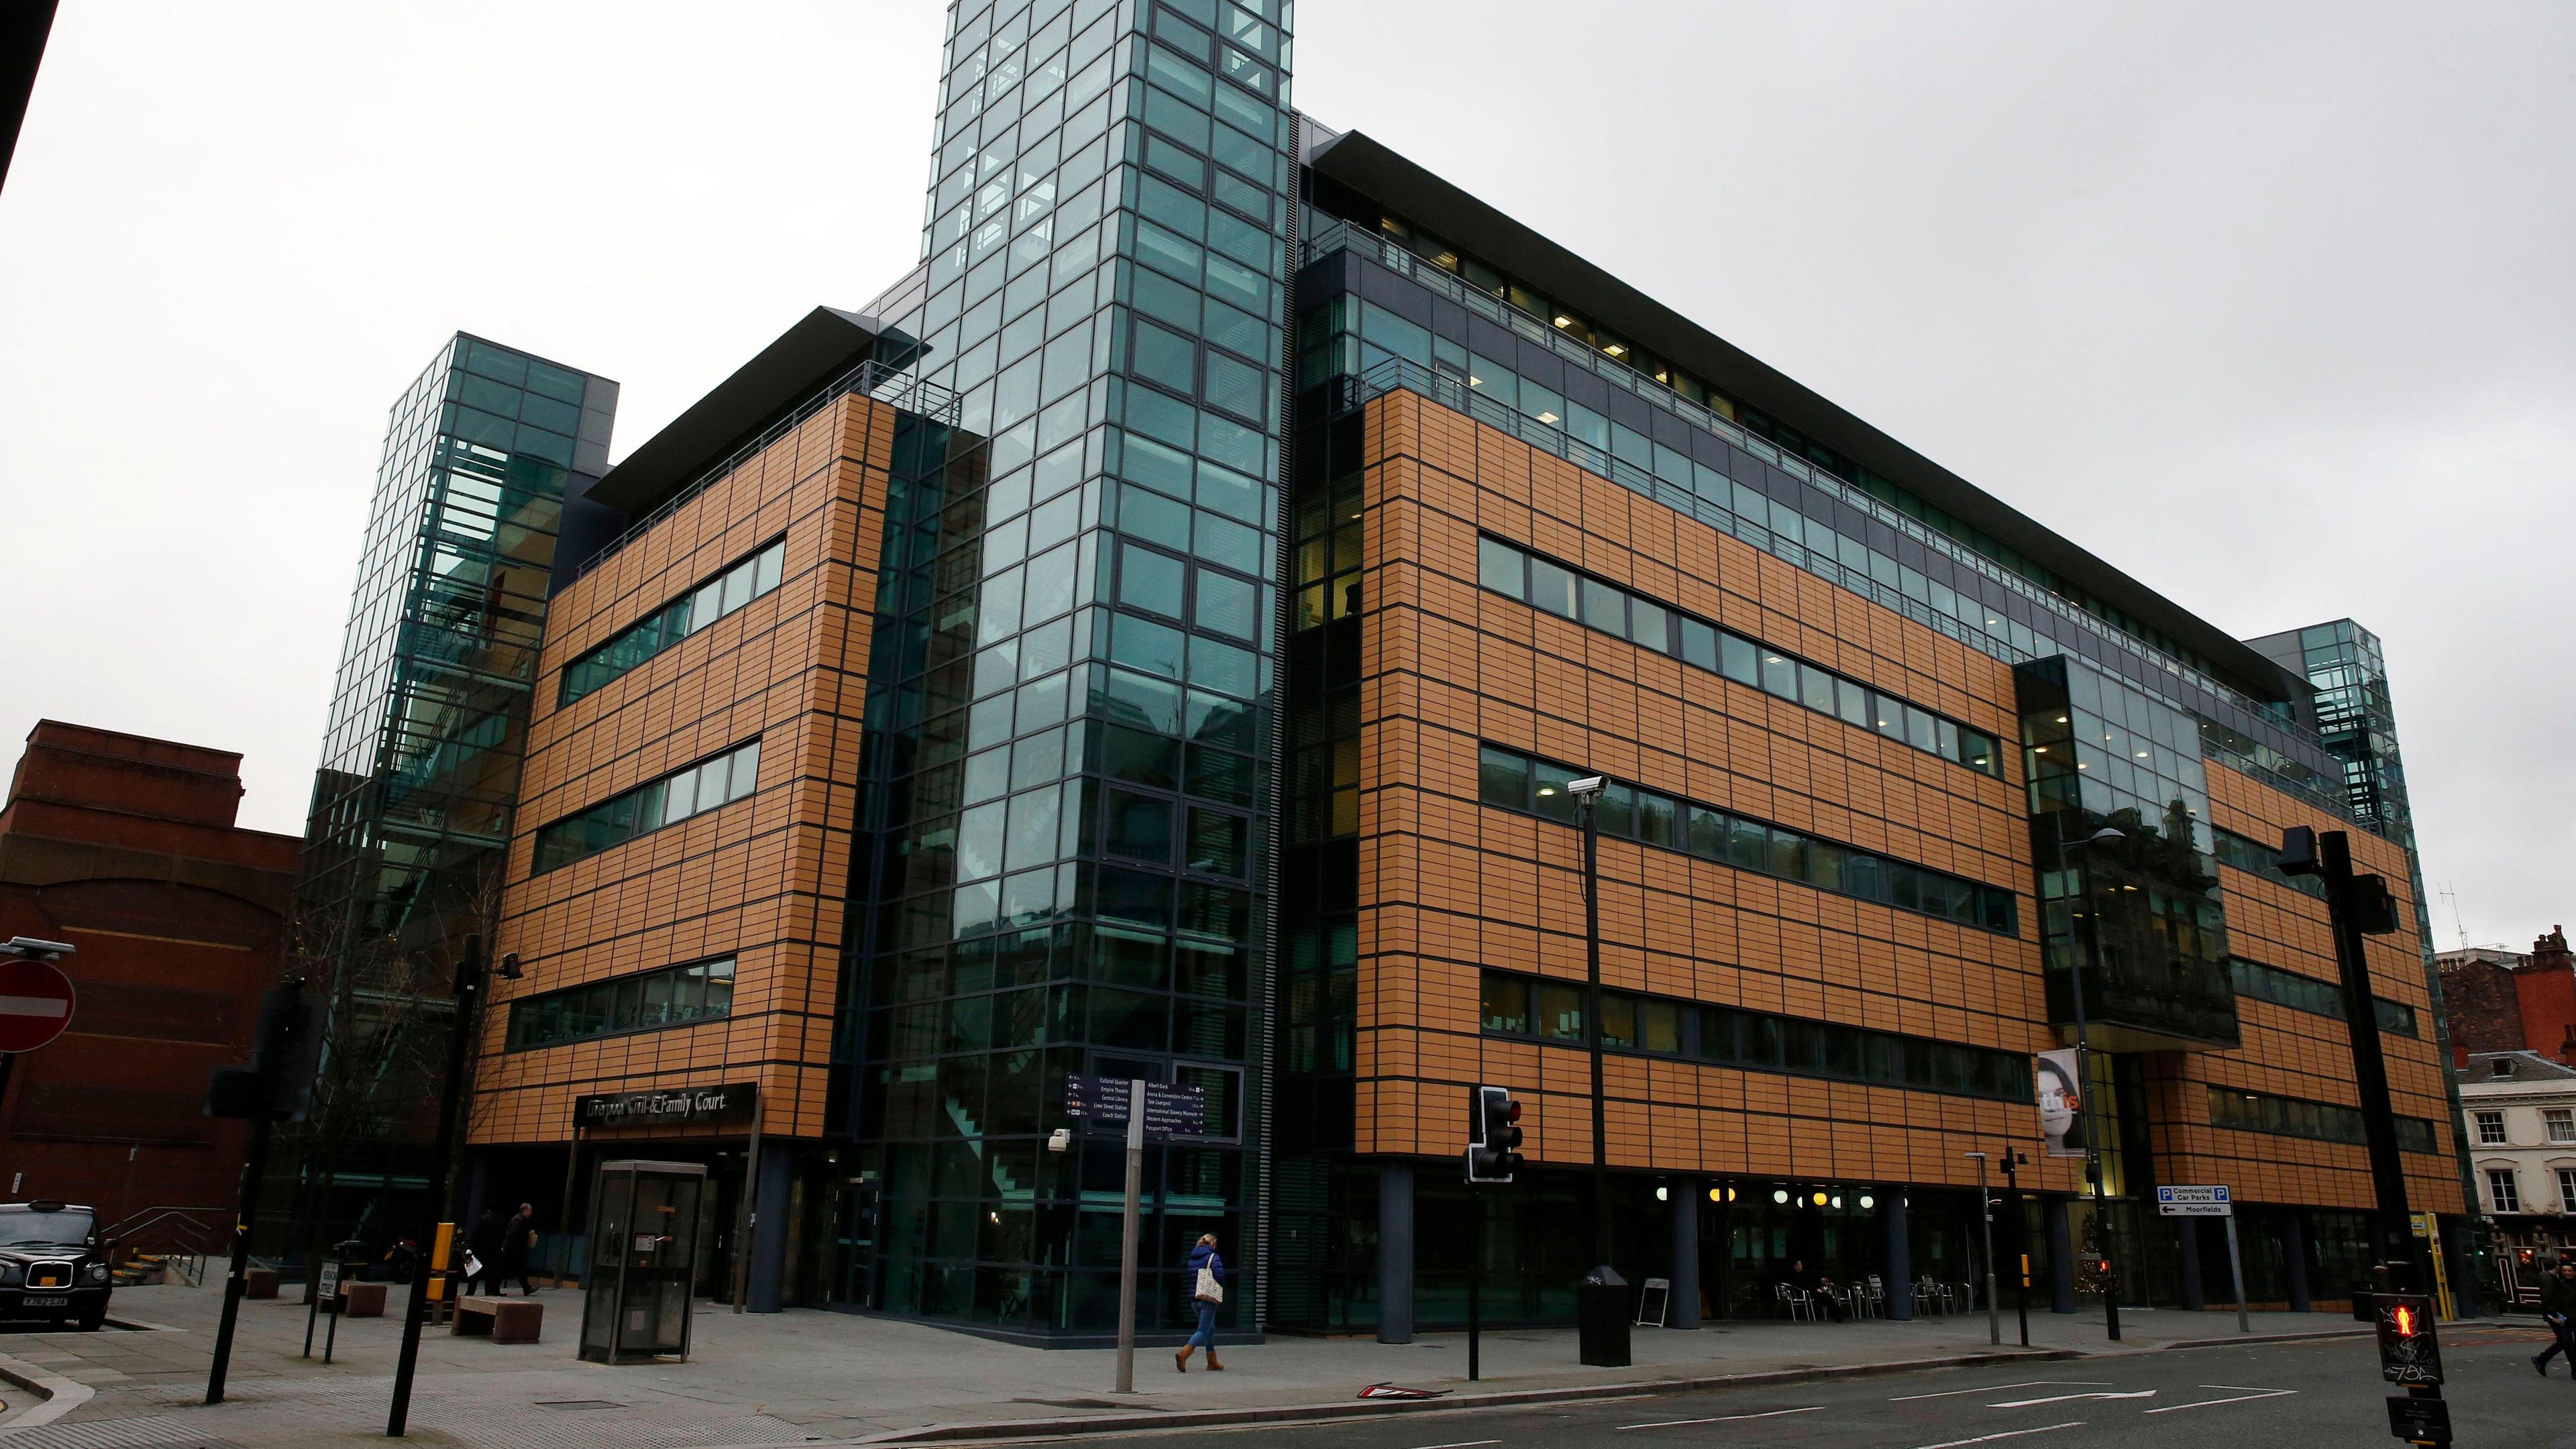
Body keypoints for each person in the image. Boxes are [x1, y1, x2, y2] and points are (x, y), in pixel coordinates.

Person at [1175, 1232, 1225, 1372]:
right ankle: (1184, 1354)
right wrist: (1221, 1285)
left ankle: (1212, 1361)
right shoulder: (1213, 1257)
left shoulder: (1192, 1258)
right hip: (1207, 1299)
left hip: (1195, 1298)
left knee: (1210, 1328)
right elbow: (1220, 1275)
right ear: (1213, 1244)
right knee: (1203, 1330)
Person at [2534, 1258, 2576, 1376]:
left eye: (2569, 1271)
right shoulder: (2557, 1283)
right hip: (2565, 1317)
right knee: (2567, 1343)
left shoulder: (2557, 1282)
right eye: (2564, 1271)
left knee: (2568, 1343)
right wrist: (2554, 1316)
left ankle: (2541, 1359)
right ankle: (2575, 1370)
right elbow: (2552, 1301)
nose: (2567, 1273)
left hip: (2572, 1316)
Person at [464, 1207, 506, 1295]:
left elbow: (476, 1234)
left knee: (475, 1273)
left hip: (481, 1250)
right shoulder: (502, 1220)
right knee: (491, 1274)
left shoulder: (483, 1219)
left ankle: (470, 1292)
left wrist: (471, 1247)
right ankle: (490, 1293)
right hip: (494, 1251)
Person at [502, 1201, 537, 1296]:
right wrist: (505, 1246)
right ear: (525, 1211)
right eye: (530, 1211)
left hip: (515, 1249)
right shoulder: (519, 1221)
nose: (531, 1213)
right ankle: (526, 1288)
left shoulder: (518, 1219)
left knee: (519, 1269)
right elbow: (511, 1234)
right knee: (518, 1269)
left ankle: (527, 1288)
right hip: (515, 1249)